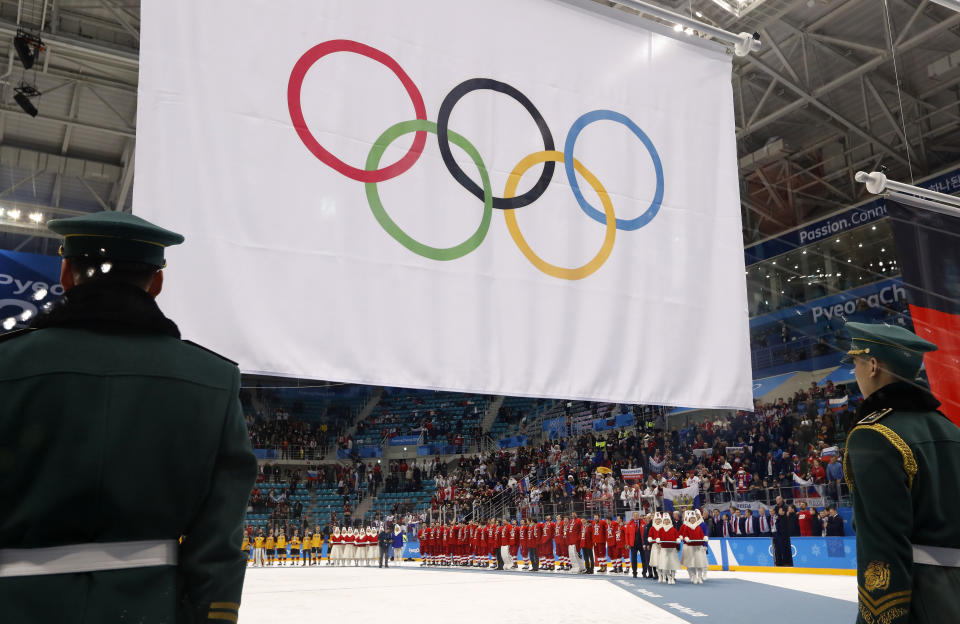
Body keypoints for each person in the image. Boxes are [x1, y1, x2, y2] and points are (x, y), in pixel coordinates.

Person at [0, 211, 258, 623]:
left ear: (65, 273)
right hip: (150, 608)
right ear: (156, 283)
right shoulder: (214, 380)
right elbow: (217, 542)